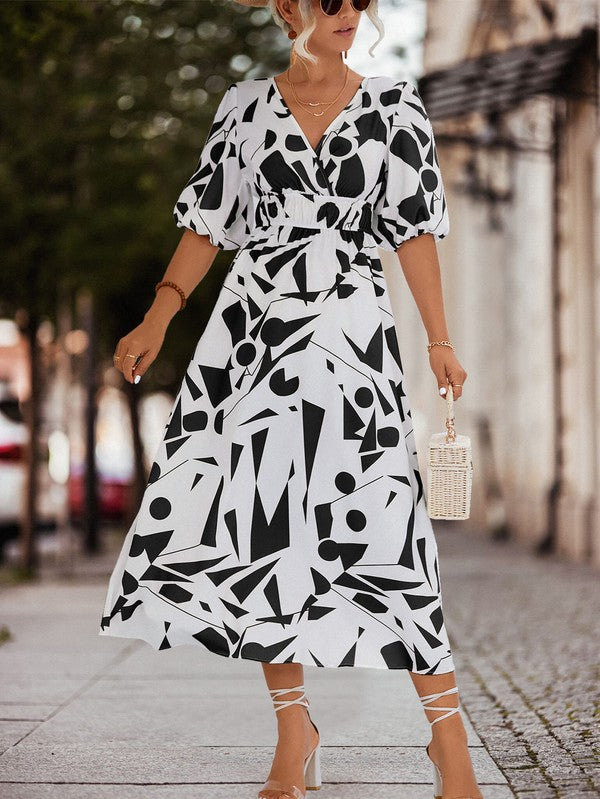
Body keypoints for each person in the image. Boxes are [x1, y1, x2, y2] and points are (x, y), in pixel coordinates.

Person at [101, 1, 479, 797]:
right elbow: (207, 225)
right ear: (287, 8)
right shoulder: (243, 108)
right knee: (260, 536)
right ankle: (292, 733)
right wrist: (157, 316)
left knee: (388, 530)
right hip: (254, 338)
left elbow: (411, 229)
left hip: (352, 339)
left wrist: (439, 339)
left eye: (359, 2)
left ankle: (449, 742)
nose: (348, 13)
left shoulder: (392, 104)